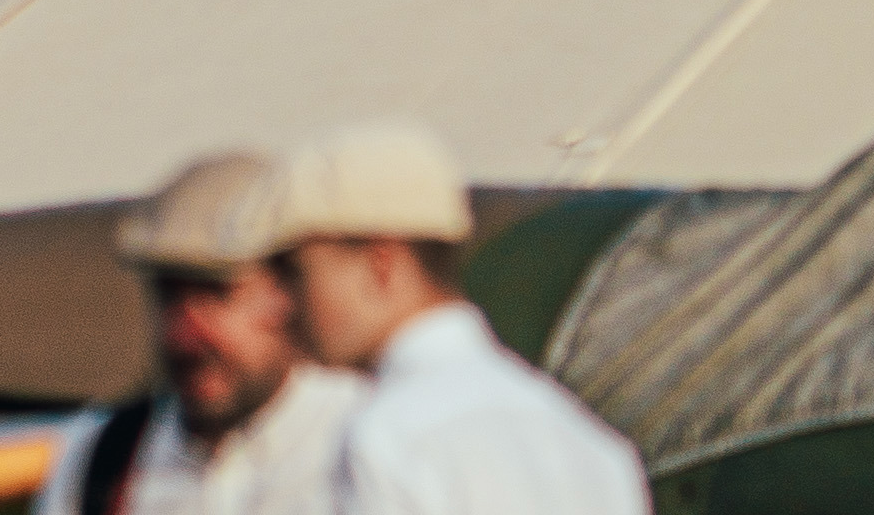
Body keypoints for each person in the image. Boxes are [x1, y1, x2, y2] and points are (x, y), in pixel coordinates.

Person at [265, 122, 647, 515]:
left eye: (294, 272)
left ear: (380, 266)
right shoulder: (593, 447)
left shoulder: (390, 436)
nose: (279, 303)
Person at [48, 152, 363, 515]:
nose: (185, 334)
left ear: (287, 290)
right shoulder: (103, 461)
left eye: (215, 293)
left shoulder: (363, 439)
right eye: (169, 295)